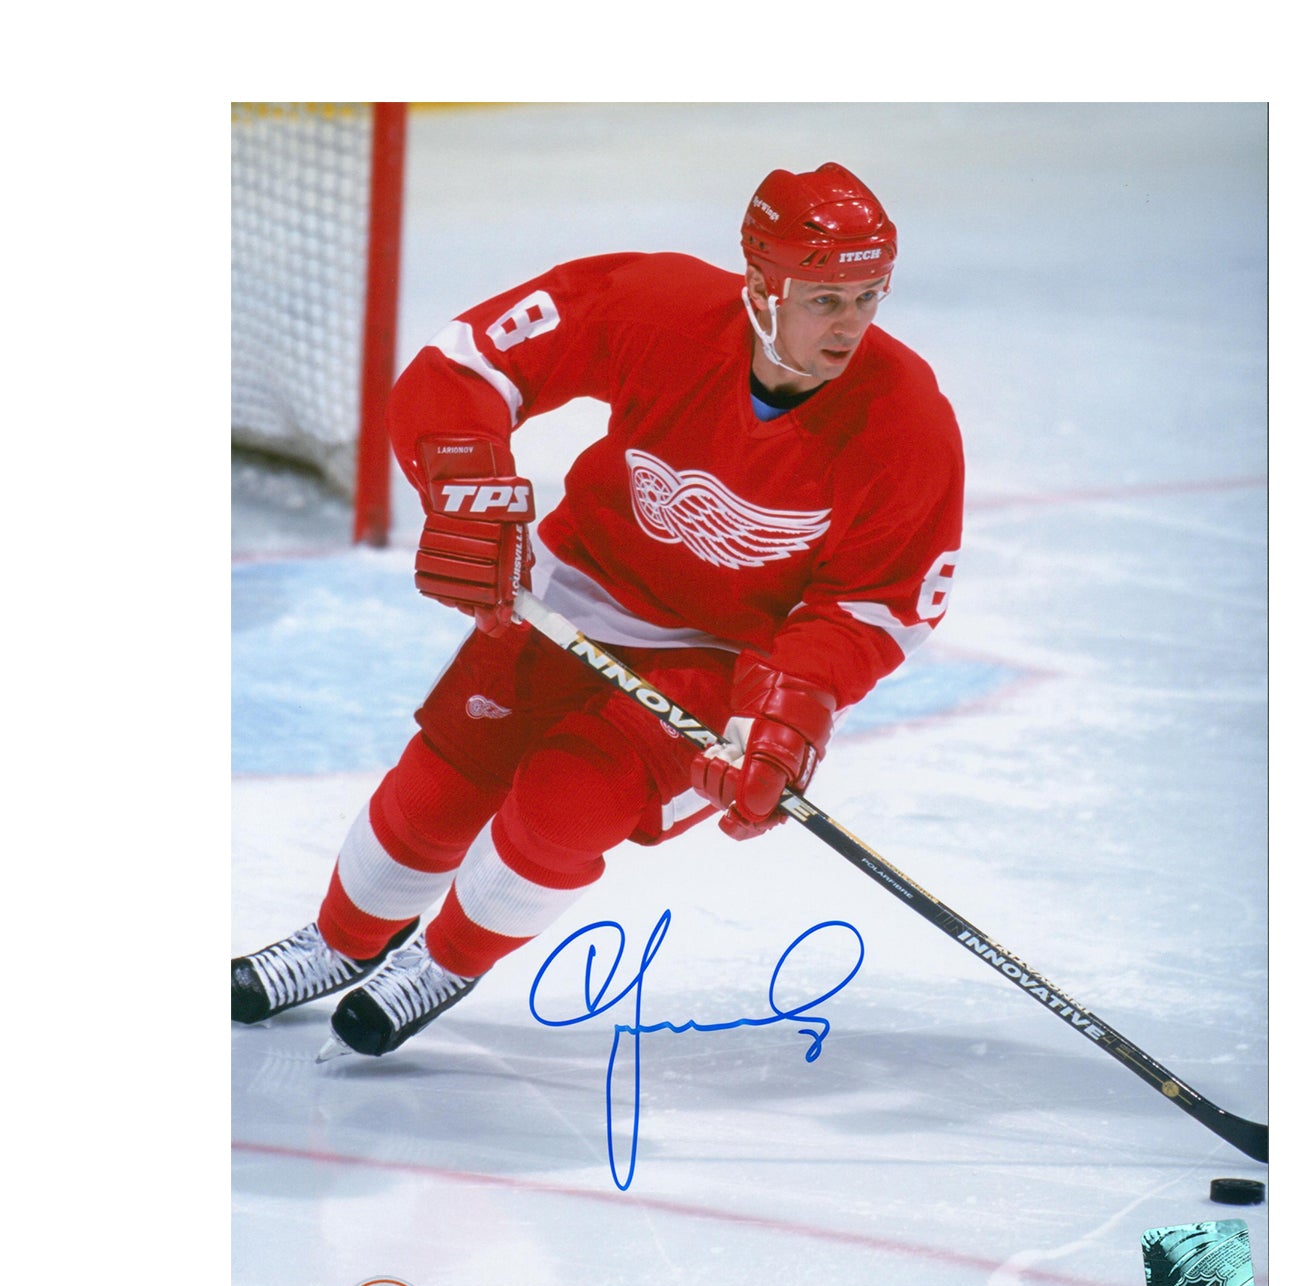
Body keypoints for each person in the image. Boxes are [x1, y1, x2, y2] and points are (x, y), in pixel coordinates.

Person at [231, 161, 964, 1059]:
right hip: (581, 585)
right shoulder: (659, 308)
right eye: (825, 300)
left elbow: (877, 603)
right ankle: (338, 942)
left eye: (867, 297)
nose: (851, 325)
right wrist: (466, 486)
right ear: (761, 286)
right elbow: (471, 362)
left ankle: (446, 961)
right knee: (440, 788)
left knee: (566, 805)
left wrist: (788, 710)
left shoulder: (905, 419)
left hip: (727, 654)